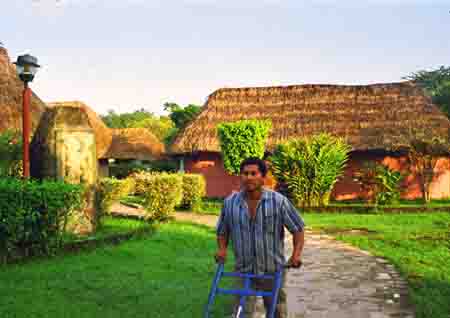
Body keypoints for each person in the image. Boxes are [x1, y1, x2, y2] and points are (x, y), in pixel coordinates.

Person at [215, 157, 305, 318]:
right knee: (241, 313)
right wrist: (221, 249)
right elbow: (222, 230)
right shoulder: (230, 203)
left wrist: (296, 255)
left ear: (263, 177)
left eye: (253, 173)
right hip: (244, 269)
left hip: (272, 270)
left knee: (276, 311)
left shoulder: (278, 202)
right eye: (245, 173)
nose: (249, 177)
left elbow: (298, 229)